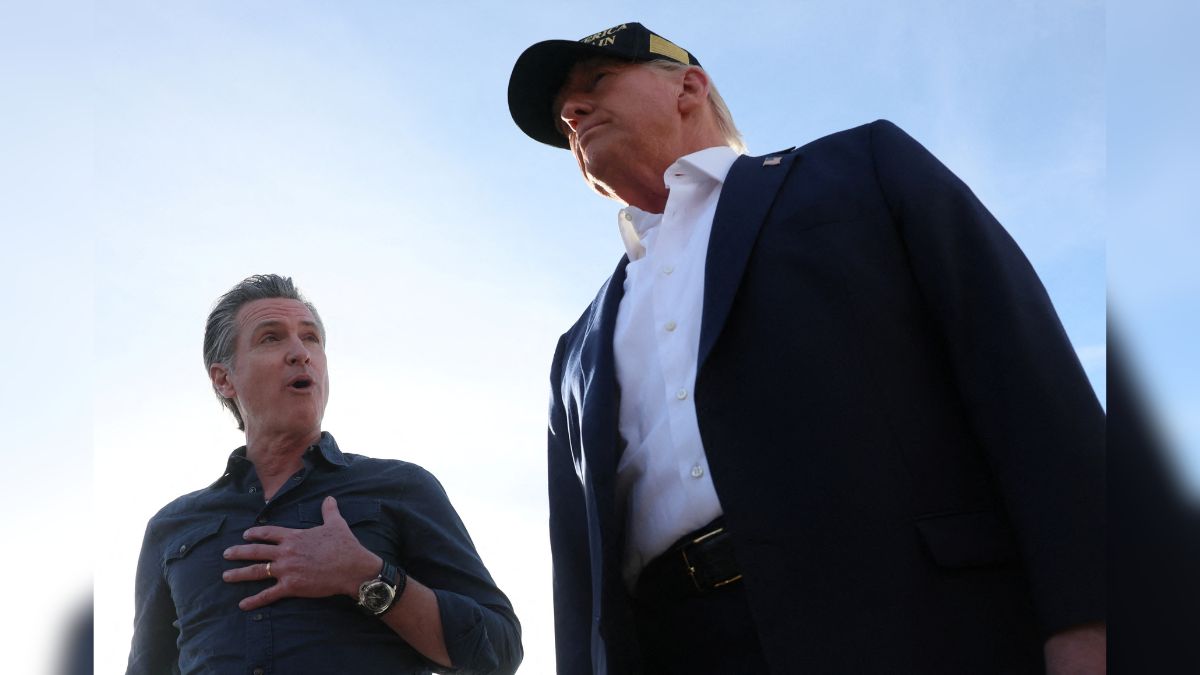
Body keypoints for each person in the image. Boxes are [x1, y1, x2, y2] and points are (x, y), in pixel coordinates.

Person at [507, 22, 1104, 674]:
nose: (573, 112)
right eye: (565, 118)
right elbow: (581, 572)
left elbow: (1024, 375)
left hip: (918, 623)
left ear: (689, 85)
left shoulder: (862, 167)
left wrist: (1091, 612)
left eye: (595, 83)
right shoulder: (577, 348)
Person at [126, 274, 522, 674]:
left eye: (311, 338)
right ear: (224, 379)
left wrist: (365, 577)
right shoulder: (171, 527)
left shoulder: (402, 488)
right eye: (271, 338)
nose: (301, 353)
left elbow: (499, 650)